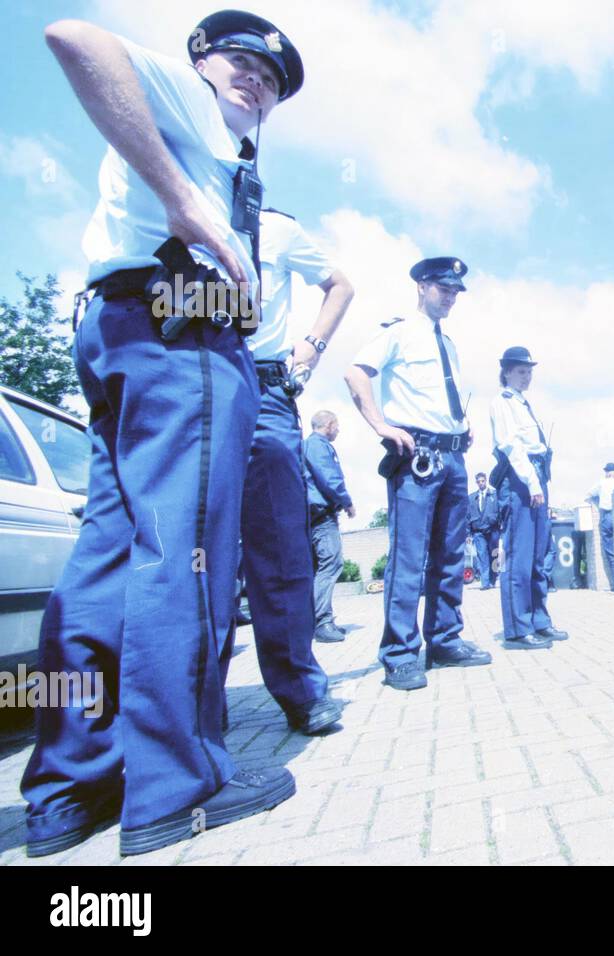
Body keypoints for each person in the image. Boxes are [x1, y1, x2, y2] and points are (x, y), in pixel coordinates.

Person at [23, 10, 304, 858]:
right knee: (183, 555)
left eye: (274, 80)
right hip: (183, 329)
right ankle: (173, 791)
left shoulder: (210, 129)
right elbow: (74, 38)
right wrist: (186, 202)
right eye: (242, 62)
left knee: (108, 556)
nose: (257, 82)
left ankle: (70, 791)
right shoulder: (187, 99)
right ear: (200, 59)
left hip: (122, 328)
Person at [344, 256, 492, 691]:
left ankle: (444, 640)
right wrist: (381, 426)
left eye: (455, 291)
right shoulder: (397, 333)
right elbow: (355, 374)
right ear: (421, 287)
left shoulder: (450, 344)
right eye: (443, 288)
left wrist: (462, 426)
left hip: (453, 457)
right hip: (417, 456)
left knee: (450, 556)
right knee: (408, 558)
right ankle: (400, 653)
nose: (450, 297)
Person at [232, 204, 353, 732]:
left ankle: (300, 690)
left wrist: (312, 347)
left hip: (262, 385)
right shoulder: (173, 200)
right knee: (202, 550)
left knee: (280, 547)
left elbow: (341, 285)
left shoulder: (273, 226)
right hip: (191, 373)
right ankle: (200, 703)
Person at [489, 347, 568, 648]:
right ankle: (519, 629)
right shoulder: (502, 402)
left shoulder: (522, 403)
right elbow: (510, 445)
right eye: (521, 371)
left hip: (535, 477)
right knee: (519, 556)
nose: (527, 376)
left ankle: (540, 621)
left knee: (538, 554)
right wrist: (533, 483)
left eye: (529, 371)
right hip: (520, 480)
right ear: (507, 372)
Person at [304, 410, 356, 642]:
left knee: (319, 568)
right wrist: (347, 502)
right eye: (337, 425)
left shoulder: (309, 445)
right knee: (331, 563)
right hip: (322, 515)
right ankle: (322, 622)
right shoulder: (317, 445)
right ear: (330, 424)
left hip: (313, 514)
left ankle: (317, 621)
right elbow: (328, 477)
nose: (339, 430)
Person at [586, 462, 614, 591]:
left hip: (607, 516)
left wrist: (596, 501)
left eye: (607, 471)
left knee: (609, 549)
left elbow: (588, 495)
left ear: (609, 472)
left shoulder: (602, 483)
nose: (607, 473)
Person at [468, 471, 501, 590]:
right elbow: (467, 516)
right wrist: (468, 533)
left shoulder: (494, 495)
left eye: (483, 481)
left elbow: (500, 511)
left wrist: (498, 523)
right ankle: (485, 582)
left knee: (494, 554)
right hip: (478, 532)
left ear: (486, 481)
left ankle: (493, 579)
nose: (481, 483)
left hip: (493, 530)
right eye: (479, 481)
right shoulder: (471, 498)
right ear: (476, 482)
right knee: (482, 556)